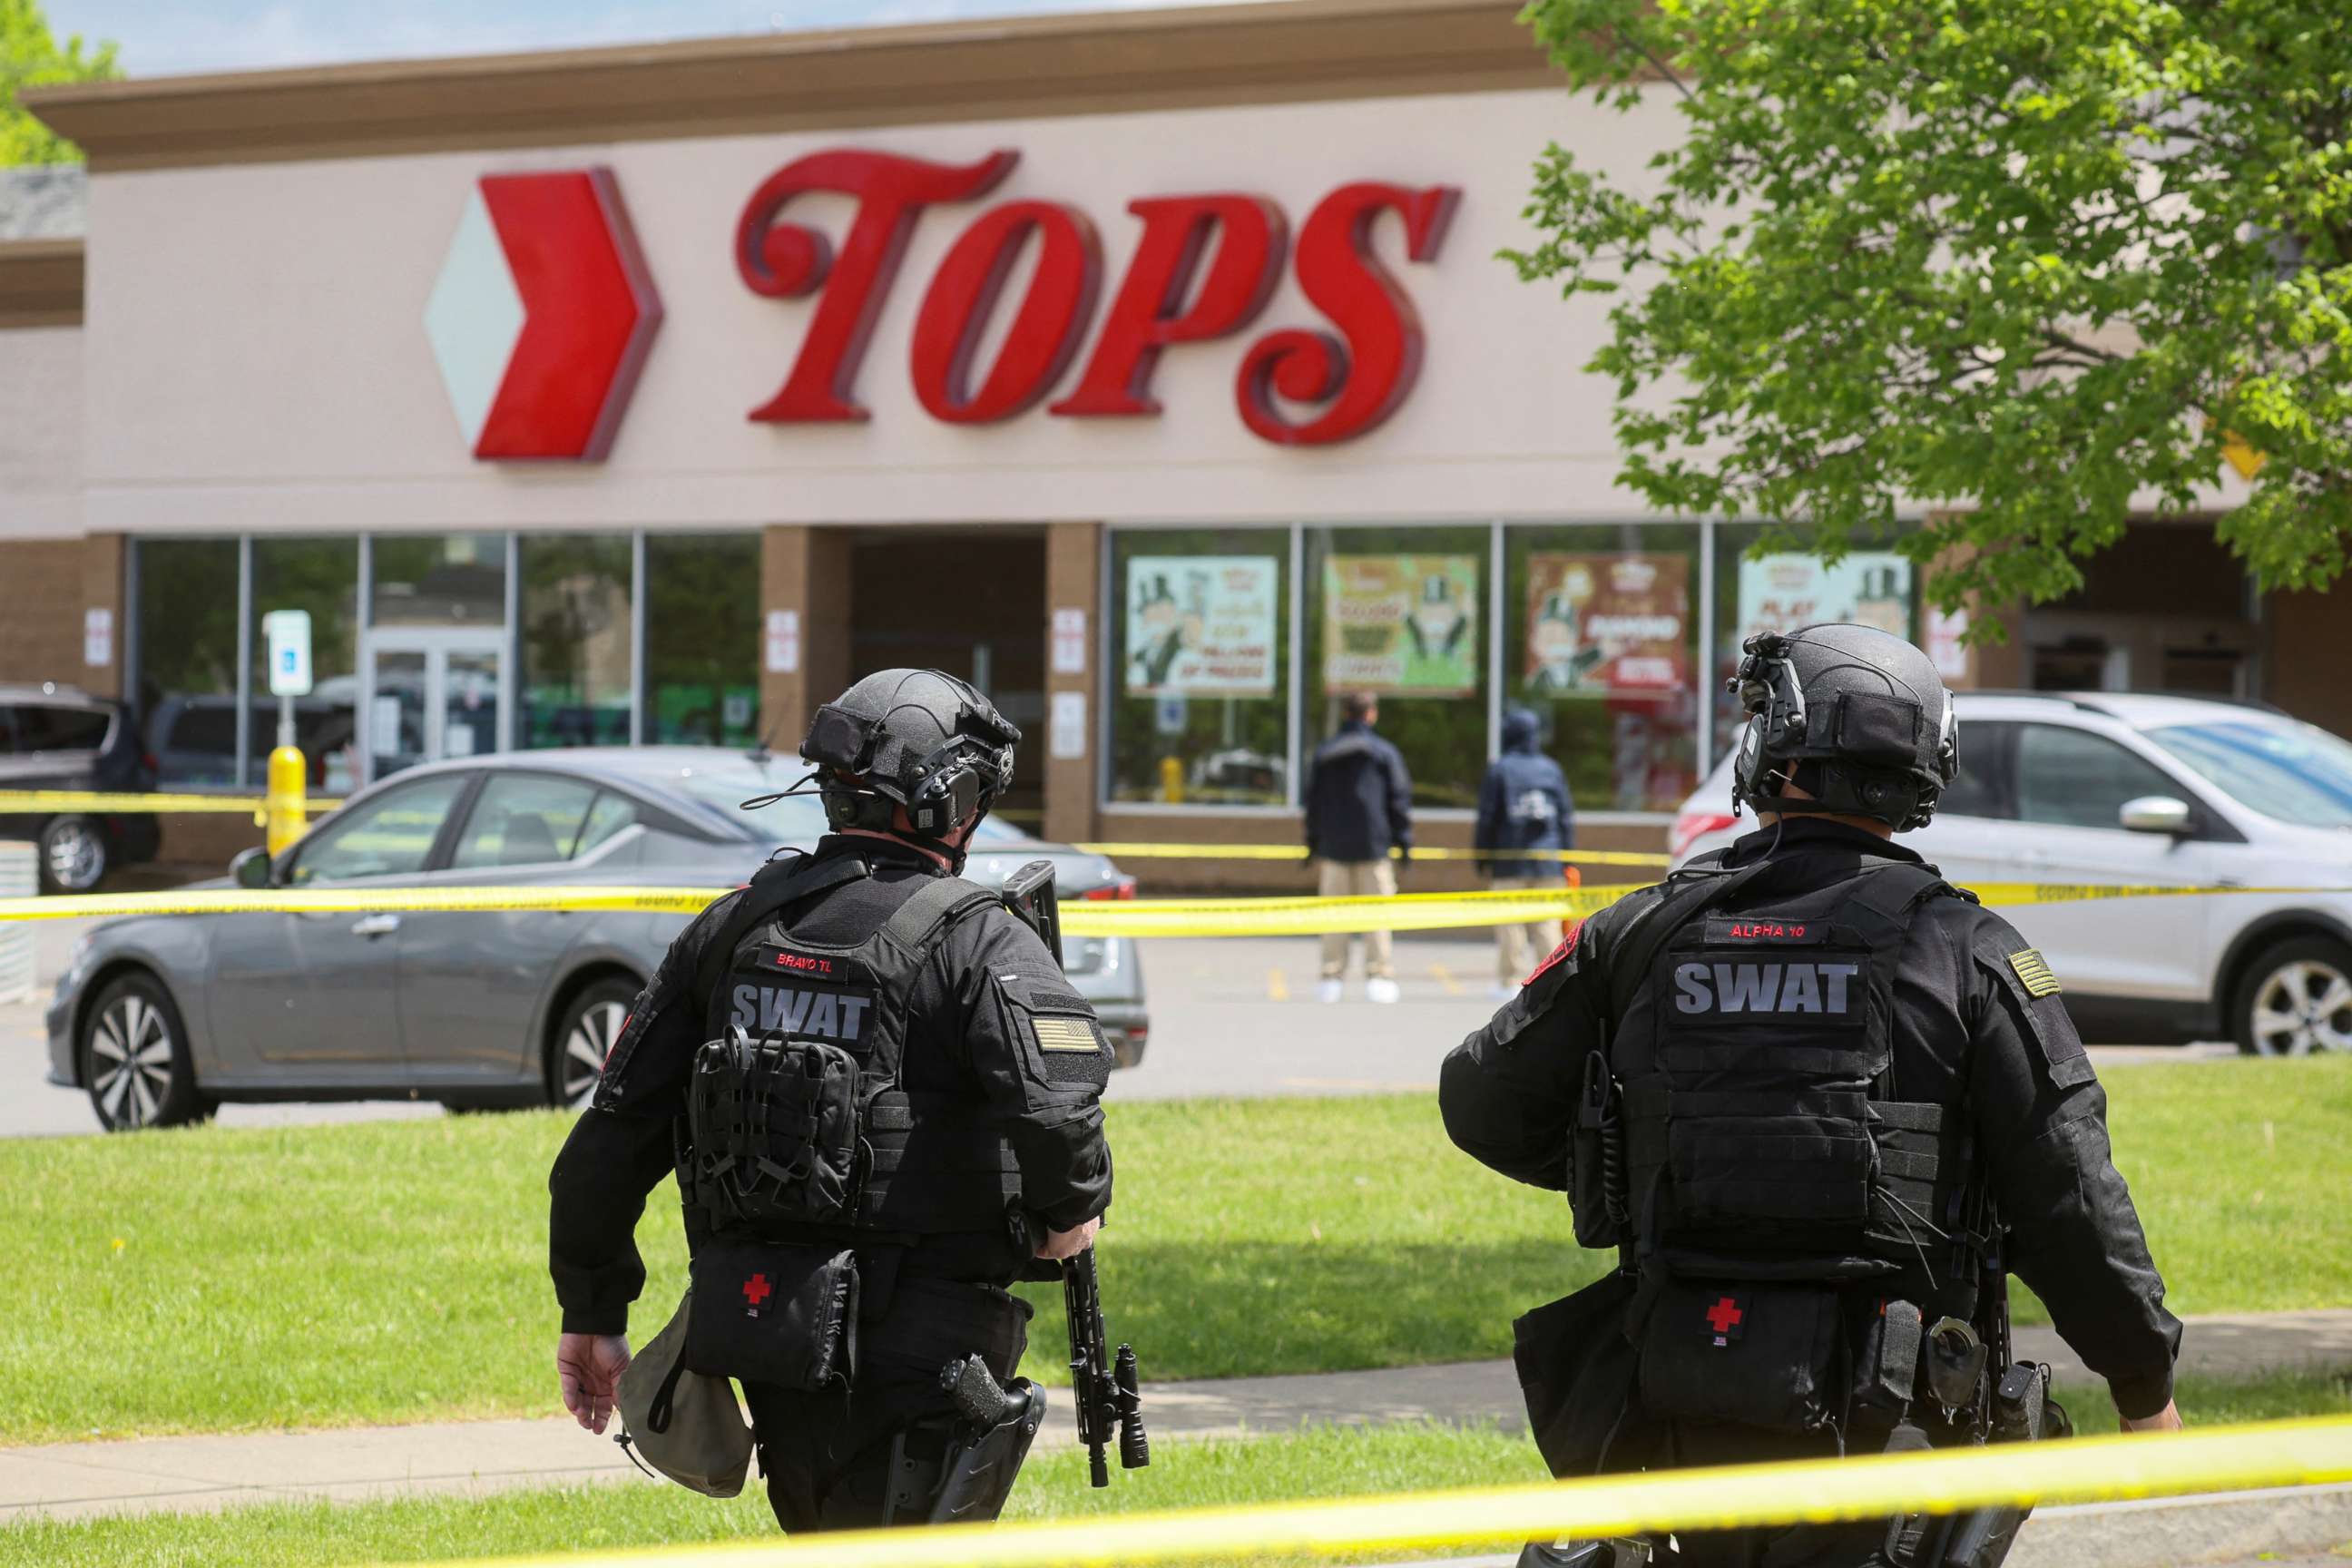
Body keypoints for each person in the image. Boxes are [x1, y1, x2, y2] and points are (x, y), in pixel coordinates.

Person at [1438, 624, 2181, 1568]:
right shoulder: (1969, 955)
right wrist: (2141, 1385)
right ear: (1925, 770)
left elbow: (1481, 1103)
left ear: (1772, 749)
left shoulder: (1636, 933)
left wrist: (1631, 1160)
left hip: (1676, 1407)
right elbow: (2067, 1189)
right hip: (1896, 1434)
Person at [546, 668, 1115, 1533]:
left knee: (819, 1532)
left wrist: (592, 1313)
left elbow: (610, 1139)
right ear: (953, 802)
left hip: (766, 1325)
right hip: (927, 1343)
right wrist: (1071, 1214)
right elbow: (1059, 1114)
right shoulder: (977, 937)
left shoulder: (732, 927)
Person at [1303, 692, 1414, 1004]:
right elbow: (1399, 799)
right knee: (1377, 916)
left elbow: (1313, 803)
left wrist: (1313, 843)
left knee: (1334, 916)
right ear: (1371, 714)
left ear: (1346, 714)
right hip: (1375, 847)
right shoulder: (1384, 753)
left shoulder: (1326, 753)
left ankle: (1331, 977)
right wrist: (1403, 841)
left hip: (1334, 848)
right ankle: (1379, 976)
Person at [1475, 706, 1577, 997]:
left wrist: (1482, 856)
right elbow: (1565, 817)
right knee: (1547, 922)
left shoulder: (1500, 769)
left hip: (1509, 859)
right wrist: (1566, 857)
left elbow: (1488, 816)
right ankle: (1551, 981)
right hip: (1548, 859)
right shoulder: (1551, 769)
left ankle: (1510, 981)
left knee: (1511, 921)